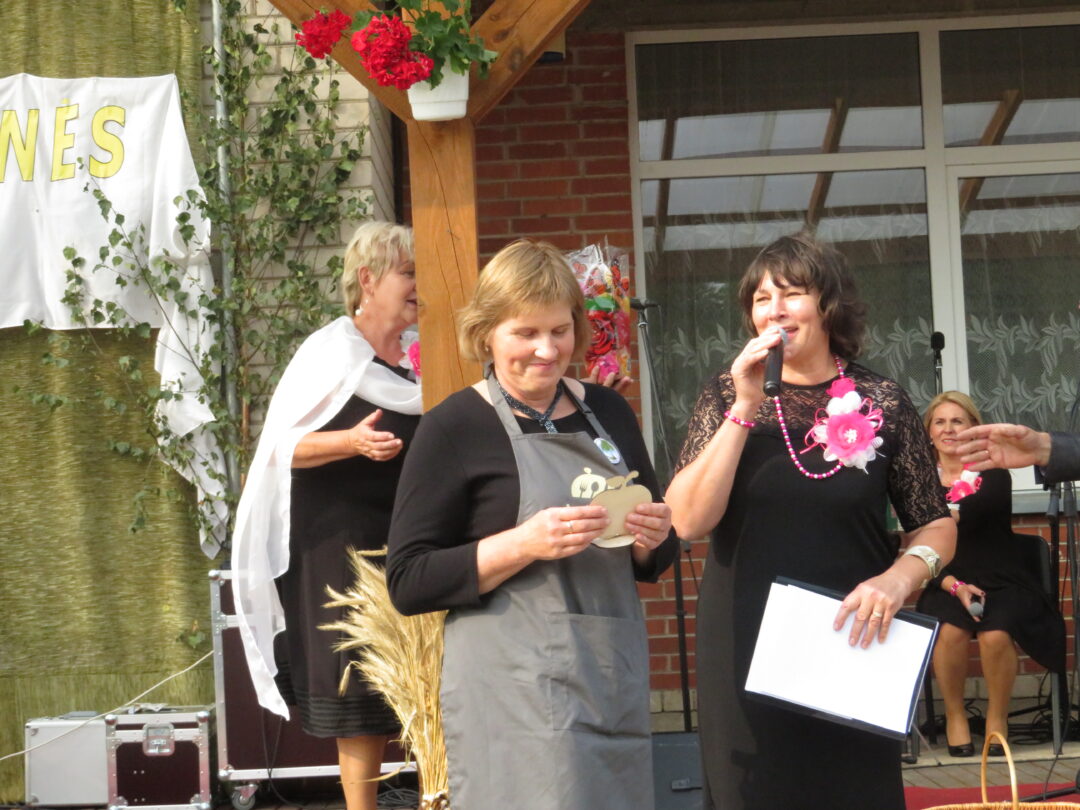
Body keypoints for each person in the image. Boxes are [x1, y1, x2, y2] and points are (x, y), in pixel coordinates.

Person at [664, 231, 956, 810]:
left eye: (791, 293)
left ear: (827, 304)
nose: (774, 310)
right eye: (760, 298)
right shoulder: (724, 395)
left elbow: (935, 525)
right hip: (745, 637)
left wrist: (898, 580)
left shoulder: (883, 400)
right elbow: (687, 521)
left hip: (854, 639)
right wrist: (744, 407)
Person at [385, 239, 678, 810]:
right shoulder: (454, 427)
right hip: (511, 693)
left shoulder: (609, 411)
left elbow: (654, 562)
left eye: (560, 330)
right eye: (526, 333)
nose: (547, 350)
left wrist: (653, 535)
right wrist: (523, 543)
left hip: (605, 677)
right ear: (486, 333)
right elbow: (409, 580)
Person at [231, 221, 422, 810]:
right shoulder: (330, 352)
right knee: (360, 705)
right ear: (368, 279)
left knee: (426, 690)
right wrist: (350, 443)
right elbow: (276, 450)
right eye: (409, 273)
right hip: (340, 555)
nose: (420, 285)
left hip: (412, 545)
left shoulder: (425, 359)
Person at [915, 392, 1064, 758]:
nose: (949, 429)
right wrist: (953, 585)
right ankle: (956, 717)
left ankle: (997, 720)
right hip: (946, 576)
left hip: (1002, 575)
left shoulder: (993, 472)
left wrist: (933, 513)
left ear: (973, 428)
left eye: (958, 421)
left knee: (995, 634)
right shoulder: (917, 478)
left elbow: (966, 514)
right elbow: (920, 542)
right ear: (928, 431)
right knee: (950, 631)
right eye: (940, 422)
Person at [958, 422, 1080, 484]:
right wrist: (1040, 448)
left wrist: (1041, 448)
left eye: (957, 421)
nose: (949, 430)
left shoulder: (994, 476)